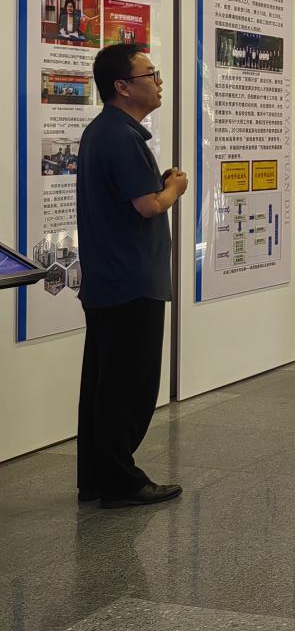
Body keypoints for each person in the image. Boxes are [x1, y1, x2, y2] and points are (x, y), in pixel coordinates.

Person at [76, 44, 187, 508]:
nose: (159, 82)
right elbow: (148, 205)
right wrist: (174, 188)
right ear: (122, 86)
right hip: (131, 282)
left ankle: (96, 477)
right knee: (129, 386)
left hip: (109, 280)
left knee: (103, 383)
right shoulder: (122, 138)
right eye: (150, 74)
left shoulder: (103, 132)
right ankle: (121, 482)